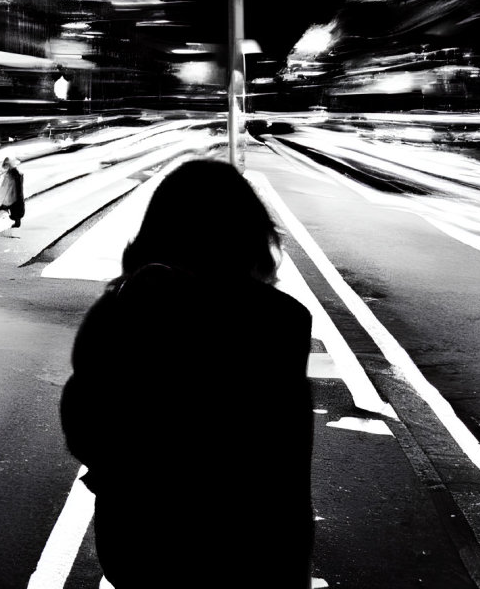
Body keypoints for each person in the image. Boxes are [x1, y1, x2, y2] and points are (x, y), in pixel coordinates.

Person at [59, 158, 314, 588]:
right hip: (247, 556)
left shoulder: (120, 311)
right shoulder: (278, 322)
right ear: (248, 235)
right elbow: (285, 475)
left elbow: (84, 429)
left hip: (141, 549)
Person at [0, 156, 25, 228]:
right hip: (17, 195)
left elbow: (10, 182)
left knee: (15, 206)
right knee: (16, 206)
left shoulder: (14, 173)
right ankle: (16, 220)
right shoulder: (14, 172)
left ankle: (16, 221)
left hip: (15, 194)